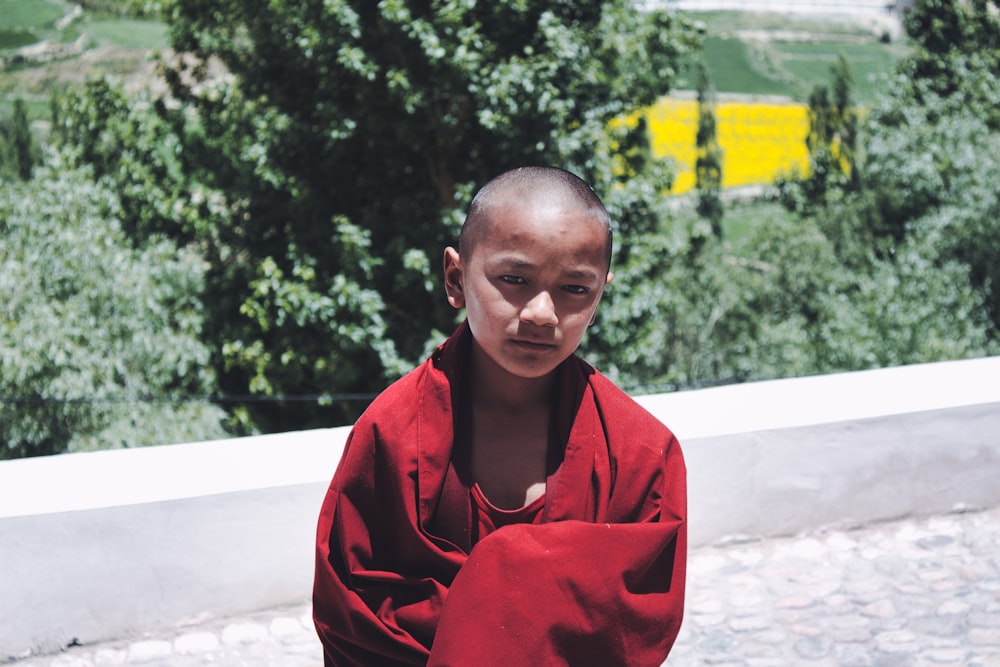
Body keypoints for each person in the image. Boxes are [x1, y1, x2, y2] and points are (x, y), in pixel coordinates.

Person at [313, 166, 687, 666]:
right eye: (514, 279)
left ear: (600, 297)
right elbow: (353, 612)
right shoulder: (392, 432)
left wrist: (494, 597)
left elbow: (637, 622)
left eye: (575, 289)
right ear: (455, 277)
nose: (541, 313)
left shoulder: (640, 452)